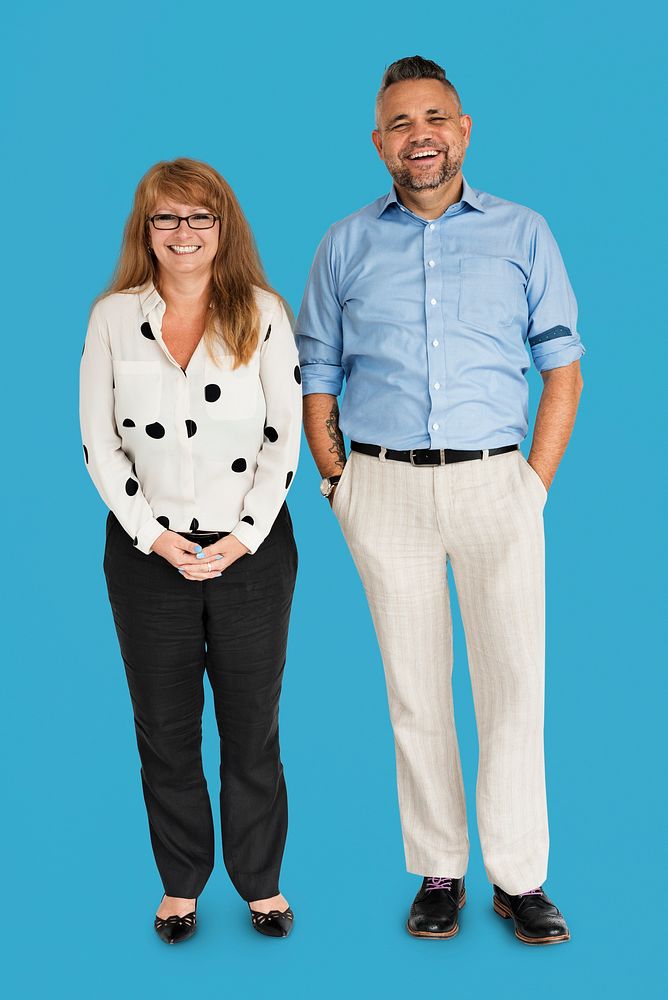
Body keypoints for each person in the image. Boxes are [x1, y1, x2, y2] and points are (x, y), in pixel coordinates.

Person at [295, 56, 584, 945]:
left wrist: (531, 484)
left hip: (497, 483)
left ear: (464, 130)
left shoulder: (523, 232)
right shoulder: (345, 243)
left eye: (436, 118)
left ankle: (521, 880)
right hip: (381, 489)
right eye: (401, 123)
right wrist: (338, 482)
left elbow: (562, 366)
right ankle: (439, 871)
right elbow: (317, 374)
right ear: (379, 142)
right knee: (414, 690)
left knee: (513, 687)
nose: (420, 135)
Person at [80, 158, 301, 943]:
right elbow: (98, 443)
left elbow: (283, 439)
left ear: (223, 228)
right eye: (166, 218)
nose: (183, 233)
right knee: (164, 728)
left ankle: (261, 883)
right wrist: (154, 536)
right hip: (148, 555)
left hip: (252, 553)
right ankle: (180, 885)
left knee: (252, 725)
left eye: (199, 217)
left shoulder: (264, 312)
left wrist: (244, 536)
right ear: (146, 231)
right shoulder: (112, 318)